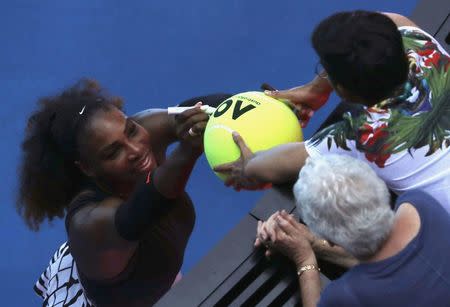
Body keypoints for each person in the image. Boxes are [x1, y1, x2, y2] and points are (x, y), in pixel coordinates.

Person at [17, 79, 230, 306]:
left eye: (130, 130)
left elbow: (204, 108)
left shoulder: (144, 130)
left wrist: (263, 103)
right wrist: (186, 153)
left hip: (147, 281)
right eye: (113, 152)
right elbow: (141, 210)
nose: (136, 149)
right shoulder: (89, 224)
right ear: (87, 168)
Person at [214, 11, 450, 211]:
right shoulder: (427, 51)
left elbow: (265, 167)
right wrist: (316, 89)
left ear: (344, 91)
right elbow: (385, 21)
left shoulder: (360, 137)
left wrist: (246, 169)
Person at [257, 154, 450, 307]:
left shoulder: (347, 296)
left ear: (328, 237)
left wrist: (304, 259)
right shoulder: (419, 203)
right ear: (378, 186)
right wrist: (314, 244)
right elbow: (396, 261)